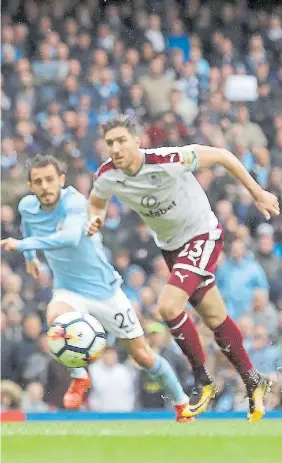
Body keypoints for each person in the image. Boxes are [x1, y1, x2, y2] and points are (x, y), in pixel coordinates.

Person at [86, 114, 280, 421]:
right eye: (110, 142)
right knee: (215, 317)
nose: (116, 147)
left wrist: (258, 193)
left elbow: (223, 156)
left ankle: (203, 381)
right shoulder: (107, 175)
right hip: (171, 247)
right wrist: (95, 218)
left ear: (137, 141)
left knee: (168, 306)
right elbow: (96, 203)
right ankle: (253, 380)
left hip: (202, 234)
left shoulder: (169, 159)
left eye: (122, 140)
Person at [0, 155, 191, 421]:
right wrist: (31, 259)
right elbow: (27, 226)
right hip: (68, 290)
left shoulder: (75, 202)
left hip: (106, 292)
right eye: (38, 181)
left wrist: (22, 246)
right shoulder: (27, 206)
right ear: (31, 186)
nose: (45, 186)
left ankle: (182, 403)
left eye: (50, 180)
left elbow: (69, 238)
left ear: (61, 180)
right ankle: (80, 376)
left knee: (143, 355)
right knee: (56, 320)